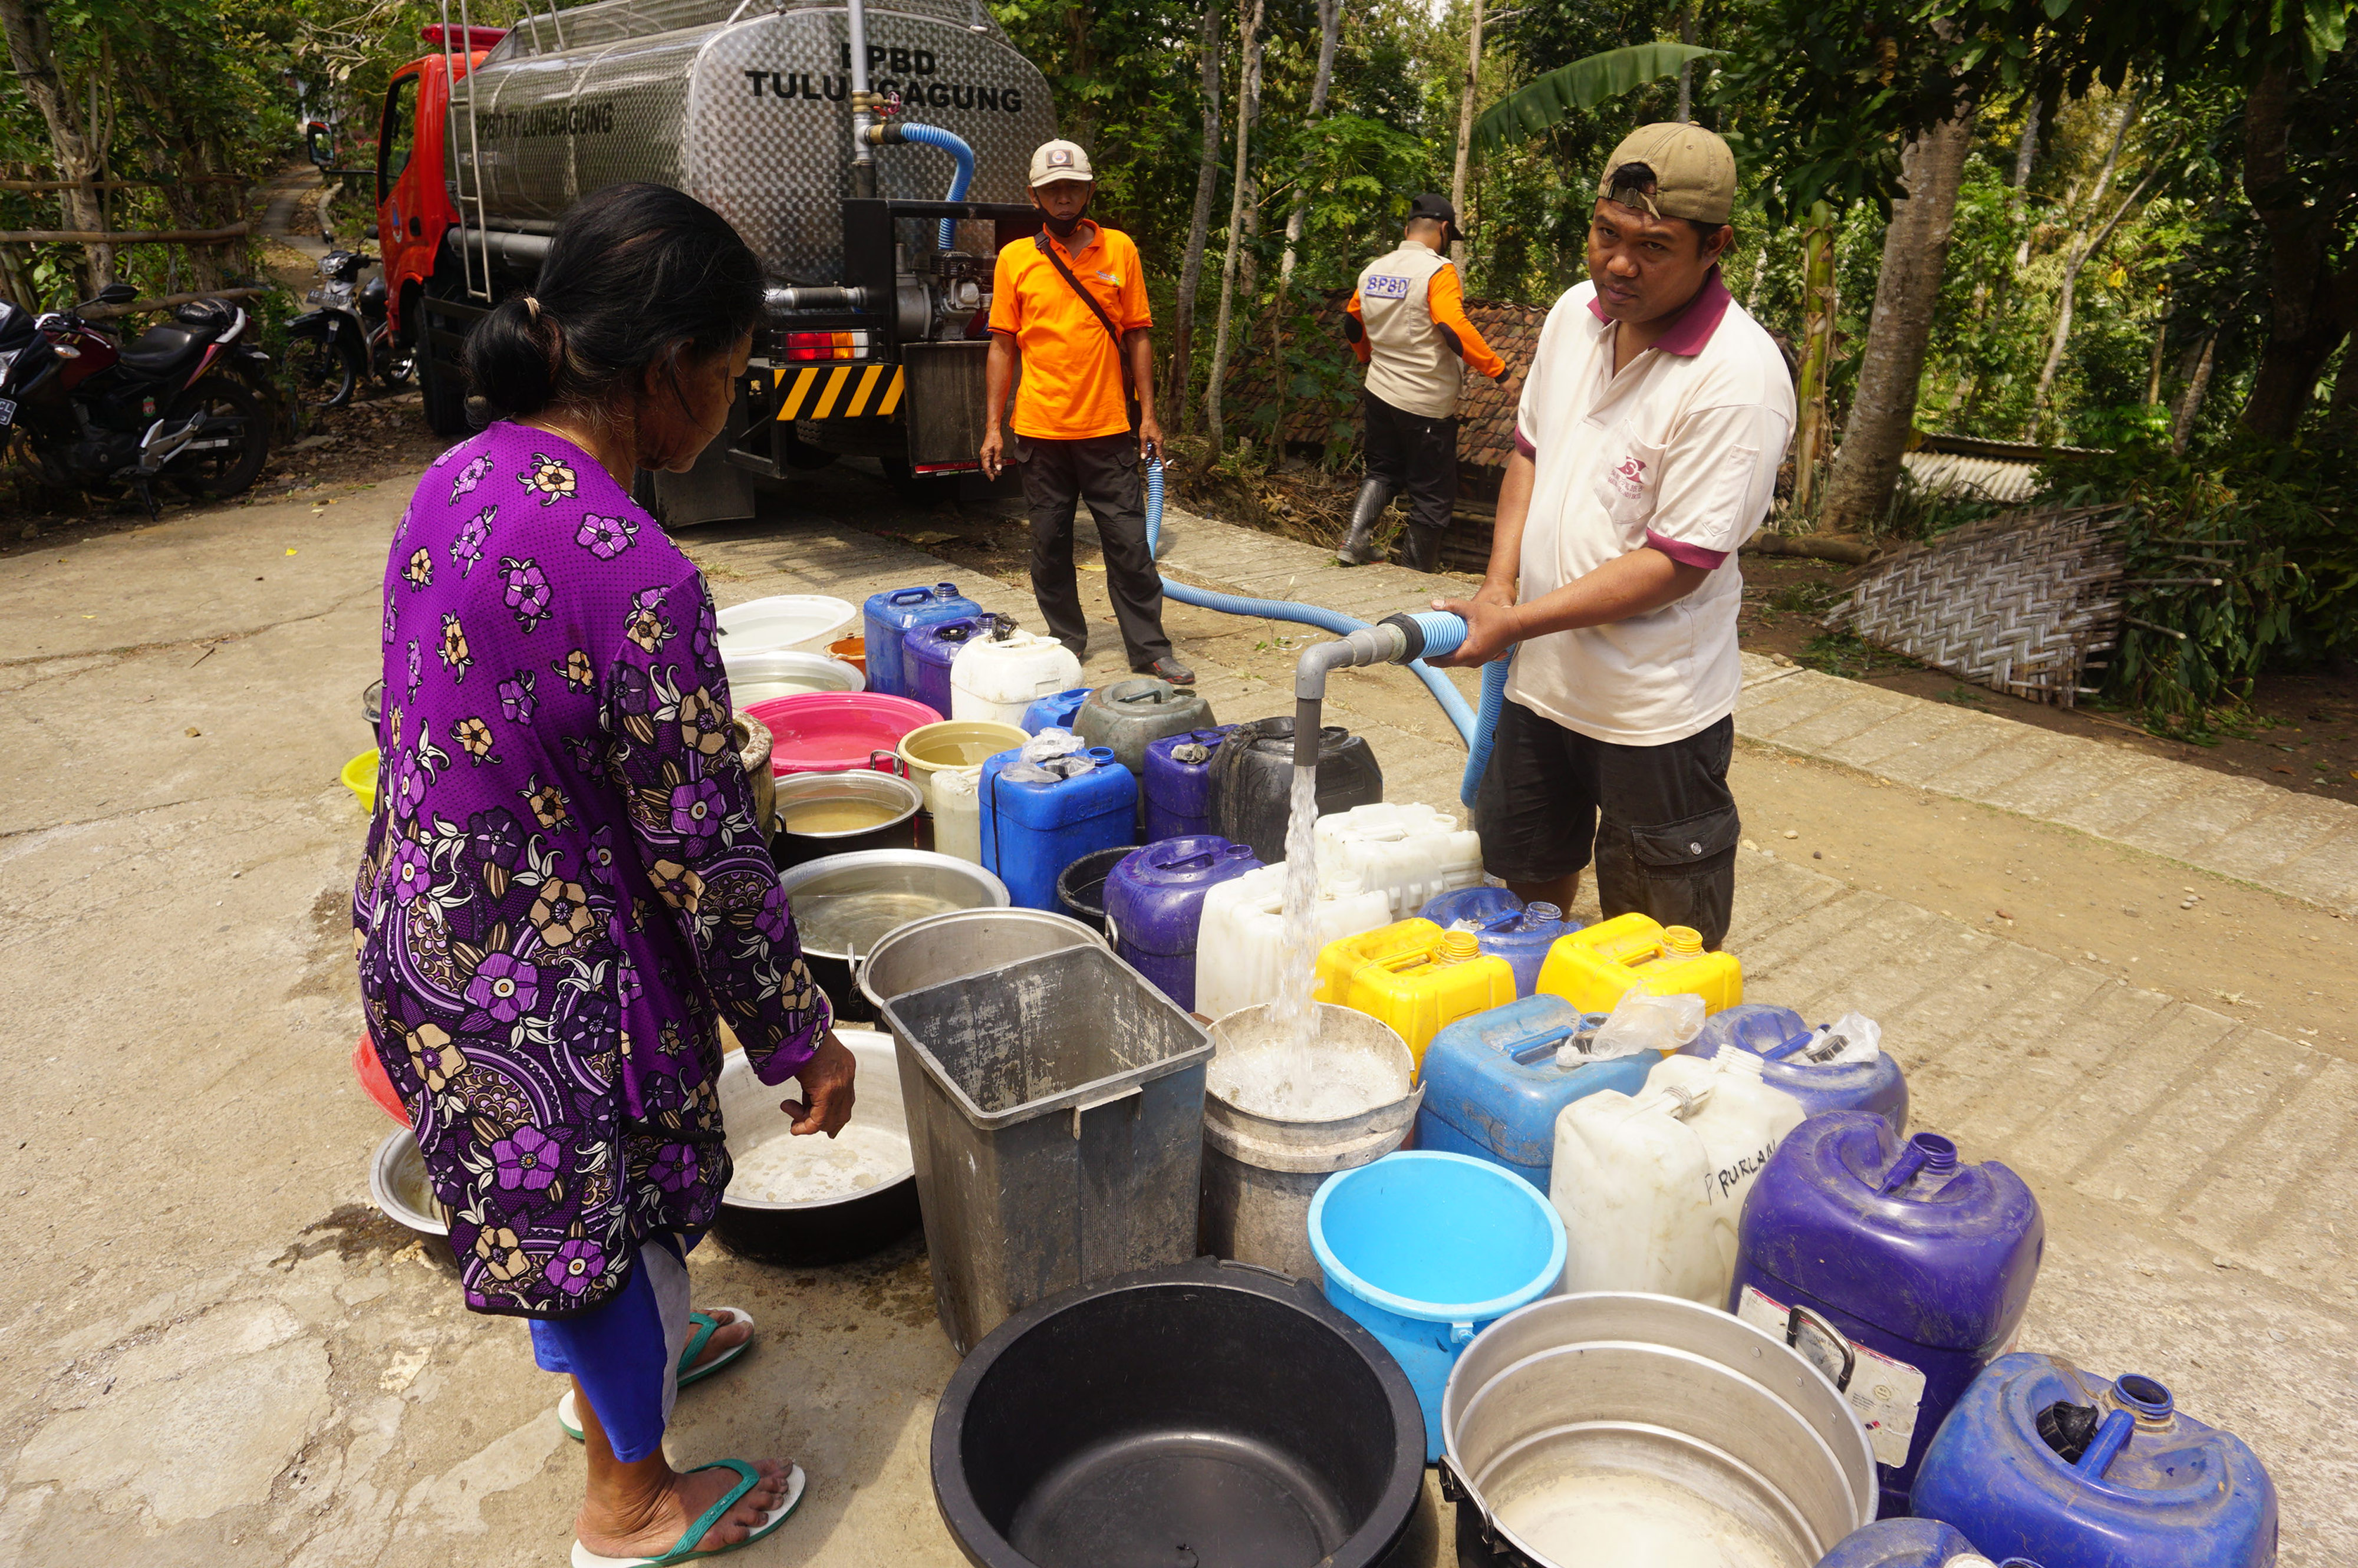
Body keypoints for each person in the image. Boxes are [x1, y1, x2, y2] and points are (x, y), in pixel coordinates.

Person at [354, 182, 857, 1568]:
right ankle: (629, 1504)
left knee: (562, 1221)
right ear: (669, 373)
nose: (737, 399)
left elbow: (415, 708)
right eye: (739, 370)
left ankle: (639, 1355)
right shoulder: (633, 573)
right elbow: (706, 856)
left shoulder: (456, 474)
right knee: (602, 1219)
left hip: (429, 929)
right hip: (547, 991)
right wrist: (797, 1035)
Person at [1428, 124, 1796, 951]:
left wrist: (1512, 625)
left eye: (1654, 247)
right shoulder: (1572, 317)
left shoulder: (1738, 378)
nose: (1619, 264)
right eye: (1607, 235)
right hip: (1541, 685)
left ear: (1716, 247)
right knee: (1527, 884)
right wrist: (1498, 588)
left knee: (1657, 940)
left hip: (1651, 714)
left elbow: (1678, 565)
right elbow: (1529, 450)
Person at [978, 139, 1193, 685]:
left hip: (1106, 430)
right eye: (1053, 189)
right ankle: (1065, 642)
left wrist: (1147, 415)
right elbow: (1002, 345)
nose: (1064, 196)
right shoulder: (1015, 259)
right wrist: (992, 427)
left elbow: (1139, 334)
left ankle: (1149, 649)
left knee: (1127, 547)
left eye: (1073, 186)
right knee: (1048, 546)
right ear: (1035, 196)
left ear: (1089, 189)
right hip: (1039, 431)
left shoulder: (1120, 250)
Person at [1336, 192, 1507, 571]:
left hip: (1379, 390)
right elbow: (1452, 326)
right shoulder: (1437, 271)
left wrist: (1368, 358)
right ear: (1445, 230)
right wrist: (1499, 371)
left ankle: (1355, 539)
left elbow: (1352, 322)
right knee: (1433, 493)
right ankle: (1415, 573)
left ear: (1406, 229)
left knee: (1382, 469)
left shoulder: (1374, 270)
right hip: (1425, 401)